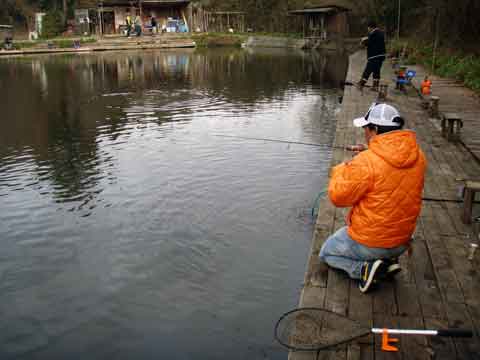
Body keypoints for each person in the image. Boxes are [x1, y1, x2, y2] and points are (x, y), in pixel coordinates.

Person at [319, 103, 427, 293]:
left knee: (326, 252)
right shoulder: (419, 155)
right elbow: (390, 169)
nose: (364, 133)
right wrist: (368, 153)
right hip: (402, 241)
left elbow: (337, 198)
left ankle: (364, 269)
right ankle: (387, 262)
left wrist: (342, 169)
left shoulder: (366, 162)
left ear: (375, 129)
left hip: (373, 243)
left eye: (366, 129)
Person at [357, 21, 386, 91]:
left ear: (370, 27)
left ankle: (361, 84)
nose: (367, 29)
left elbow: (369, 42)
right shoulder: (381, 33)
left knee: (368, 70)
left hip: (374, 56)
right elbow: (374, 41)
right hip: (381, 56)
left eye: (368, 27)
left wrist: (363, 41)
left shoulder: (373, 33)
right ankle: (375, 86)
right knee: (376, 71)